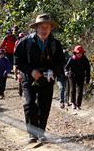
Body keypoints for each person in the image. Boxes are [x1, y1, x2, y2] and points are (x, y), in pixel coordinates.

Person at [14, 14, 65, 143]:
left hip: (47, 79)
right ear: (36, 28)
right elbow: (18, 60)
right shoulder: (25, 42)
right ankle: (32, 134)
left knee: (44, 106)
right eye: (41, 27)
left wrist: (53, 71)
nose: (44, 29)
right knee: (29, 104)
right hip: (29, 78)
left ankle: (41, 133)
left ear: (50, 28)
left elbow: (61, 63)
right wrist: (31, 71)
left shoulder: (55, 44)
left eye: (47, 27)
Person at [65, 45, 91, 110]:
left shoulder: (85, 60)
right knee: (72, 89)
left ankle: (78, 104)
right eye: (78, 53)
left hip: (81, 76)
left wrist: (87, 79)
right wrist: (66, 72)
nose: (79, 54)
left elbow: (88, 70)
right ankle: (73, 103)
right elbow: (66, 67)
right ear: (75, 53)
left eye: (81, 53)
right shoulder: (71, 59)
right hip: (72, 76)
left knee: (80, 90)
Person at [13, 32, 26, 97]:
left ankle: (22, 89)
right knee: (17, 70)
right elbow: (15, 50)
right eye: (21, 37)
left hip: (24, 59)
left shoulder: (26, 42)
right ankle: (20, 89)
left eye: (22, 37)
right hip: (18, 57)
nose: (22, 38)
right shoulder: (17, 42)